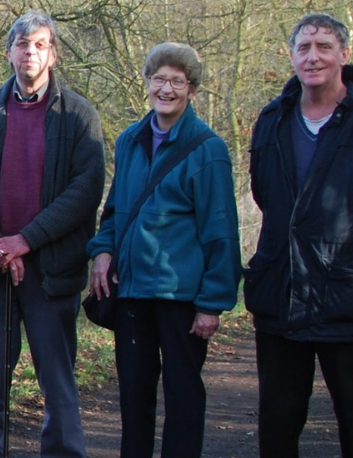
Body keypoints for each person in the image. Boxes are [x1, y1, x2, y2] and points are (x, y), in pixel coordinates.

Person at [246, 13, 353, 458]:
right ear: (291, 57)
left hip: (352, 301)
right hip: (282, 295)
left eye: (324, 47)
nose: (313, 56)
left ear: (345, 54)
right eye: (303, 48)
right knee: (278, 423)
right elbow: (267, 197)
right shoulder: (271, 121)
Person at [0, 11, 106, 458]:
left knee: (56, 382)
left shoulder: (79, 115)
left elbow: (85, 192)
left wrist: (25, 241)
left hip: (52, 270)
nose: (30, 52)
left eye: (40, 44)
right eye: (22, 44)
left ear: (53, 54)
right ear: (9, 54)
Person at [85, 43, 241, 458]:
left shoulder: (208, 150)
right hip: (133, 293)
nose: (166, 89)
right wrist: (102, 252)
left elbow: (221, 232)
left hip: (182, 298)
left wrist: (212, 304)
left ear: (191, 90)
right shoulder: (130, 140)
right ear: (147, 84)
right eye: (159, 79)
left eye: (176, 81)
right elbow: (116, 210)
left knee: (183, 396)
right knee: (134, 398)